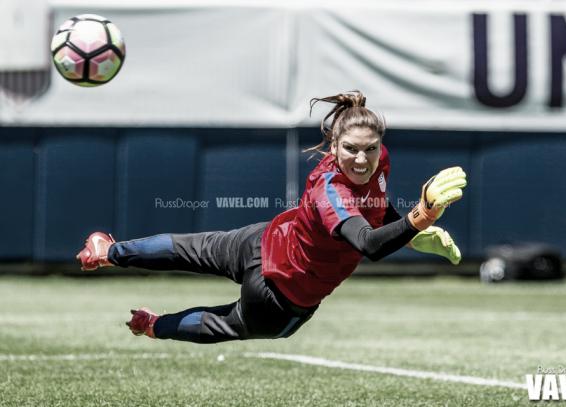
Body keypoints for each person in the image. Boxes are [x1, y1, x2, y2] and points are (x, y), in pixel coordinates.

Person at [76, 90, 467, 343]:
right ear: (333, 145)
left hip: (266, 241)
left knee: (188, 248)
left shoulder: (377, 161)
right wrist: (420, 216)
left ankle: (108, 252)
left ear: (380, 145)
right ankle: (148, 317)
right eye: (351, 149)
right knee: (225, 320)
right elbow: (367, 244)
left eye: (371, 149)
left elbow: (375, 210)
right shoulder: (330, 189)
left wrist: (413, 232)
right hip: (282, 295)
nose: (362, 159)